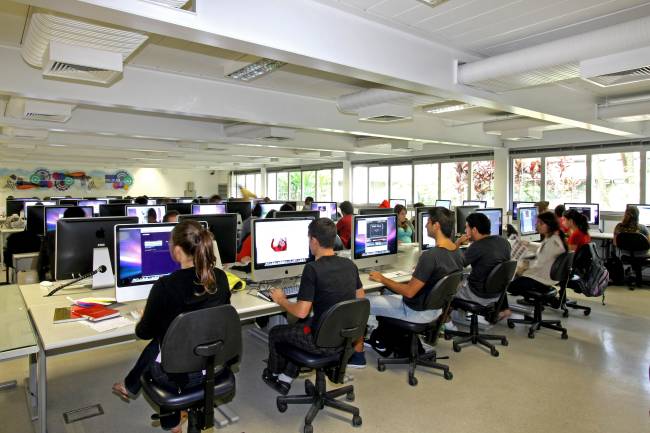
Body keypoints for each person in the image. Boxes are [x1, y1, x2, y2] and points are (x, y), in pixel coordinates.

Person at [112, 220, 231, 433]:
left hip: (180, 372)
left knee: (162, 343)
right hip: (215, 365)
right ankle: (144, 396)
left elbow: (143, 333)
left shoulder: (165, 286)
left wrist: (146, 317)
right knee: (167, 339)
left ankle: (172, 422)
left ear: (177, 251)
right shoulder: (220, 278)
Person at [262, 218, 366, 394]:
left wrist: (281, 300)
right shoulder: (349, 264)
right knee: (300, 328)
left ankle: (273, 374)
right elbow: (360, 300)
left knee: (276, 333)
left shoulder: (312, 269)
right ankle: (286, 378)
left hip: (319, 341)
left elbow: (302, 312)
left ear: (314, 241)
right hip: (345, 338)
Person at [367, 207, 463, 325]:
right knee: (387, 292)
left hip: (415, 312)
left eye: (428, 222)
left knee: (364, 301)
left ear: (436, 226)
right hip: (436, 309)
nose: (425, 226)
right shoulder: (457, 251)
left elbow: (409, 292)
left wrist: (382, 278)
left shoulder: (431, 256)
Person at [501, 212, 567, 315]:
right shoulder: (555, 238)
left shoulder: (551, 242)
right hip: (548, 279)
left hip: (539, 280)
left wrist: (519, 269)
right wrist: (529, 245)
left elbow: (536, 264)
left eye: (540, 223)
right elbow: (543, 250)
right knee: (517, 265)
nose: (536, 225)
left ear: (548, 225)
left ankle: (503, 310)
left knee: (504, 280)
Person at [454, 212, 511, 306]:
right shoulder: (504, 242)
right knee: (465, 277)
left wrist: (458, 243)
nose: (465, 230)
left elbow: (455, 263)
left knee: (447, 289)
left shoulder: (477, 246)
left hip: (478, 294)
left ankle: (448, 319)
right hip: (498, 294)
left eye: (467, 227)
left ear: (474, 230)